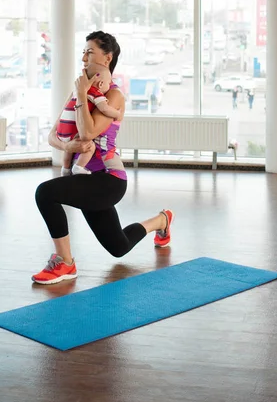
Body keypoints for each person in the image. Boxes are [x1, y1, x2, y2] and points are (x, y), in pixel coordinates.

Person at [32, 30, 174, 285]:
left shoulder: (114, 96)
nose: (84, 57)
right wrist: (69, 143)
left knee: (45, 193)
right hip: (87, 178)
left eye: (90, 52)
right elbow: (53, 136)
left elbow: (88, 131)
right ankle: (161, 220)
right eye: (83, 51)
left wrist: (82, 97)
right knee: (118, 247)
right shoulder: (79, 89)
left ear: (107, 58)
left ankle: (65, 263)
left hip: (108, 180)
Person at [57, 63, 122, 176]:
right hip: (75, 132)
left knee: (69, 147)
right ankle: (78, 167)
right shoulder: (95, 93)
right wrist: (117, 113)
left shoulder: (76, 92)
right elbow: (104, 109)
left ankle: (65, 168)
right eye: (109, 83)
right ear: (101, 83)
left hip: (62, 131)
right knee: (90, 146)